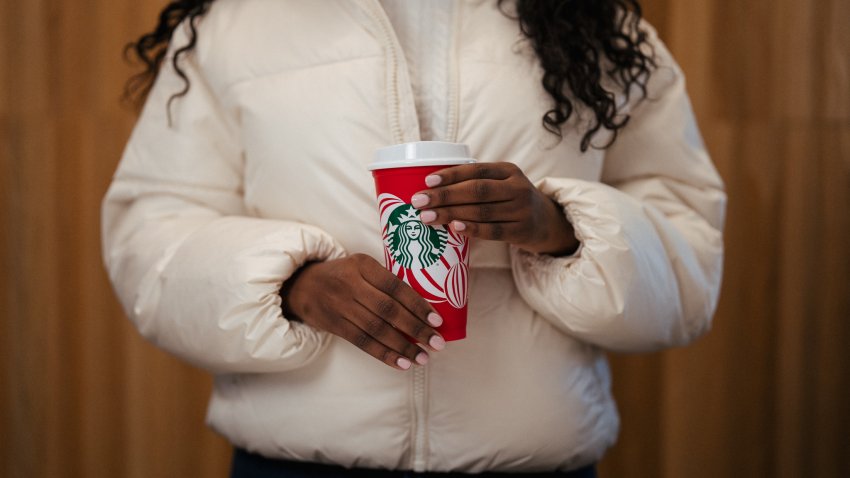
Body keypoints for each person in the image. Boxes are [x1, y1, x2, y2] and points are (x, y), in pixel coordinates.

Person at [102, 0, 726, 476]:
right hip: (295, 461)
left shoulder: (593, 22)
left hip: (532, 459)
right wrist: (293, 285)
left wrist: (556, 226)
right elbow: (151, 235)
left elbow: (688, 252)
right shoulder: (237, 21)